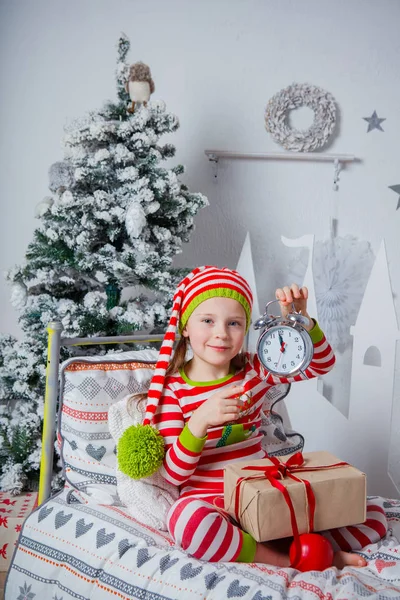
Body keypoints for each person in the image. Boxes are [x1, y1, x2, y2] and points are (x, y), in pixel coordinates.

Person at [139, 266, 387, 569]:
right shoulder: (173, 390)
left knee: (373, 513)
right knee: (185, 521)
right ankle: (287, 559)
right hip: (215, 503)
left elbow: (322, 364)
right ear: (186, 327)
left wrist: (303, 322)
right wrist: (199, 422)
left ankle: (303, 546)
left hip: (266, 493)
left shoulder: (256, 370)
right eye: (207, 321)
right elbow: (174, 475)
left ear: (245, 329)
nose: (221, 333)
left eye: (234, 323)